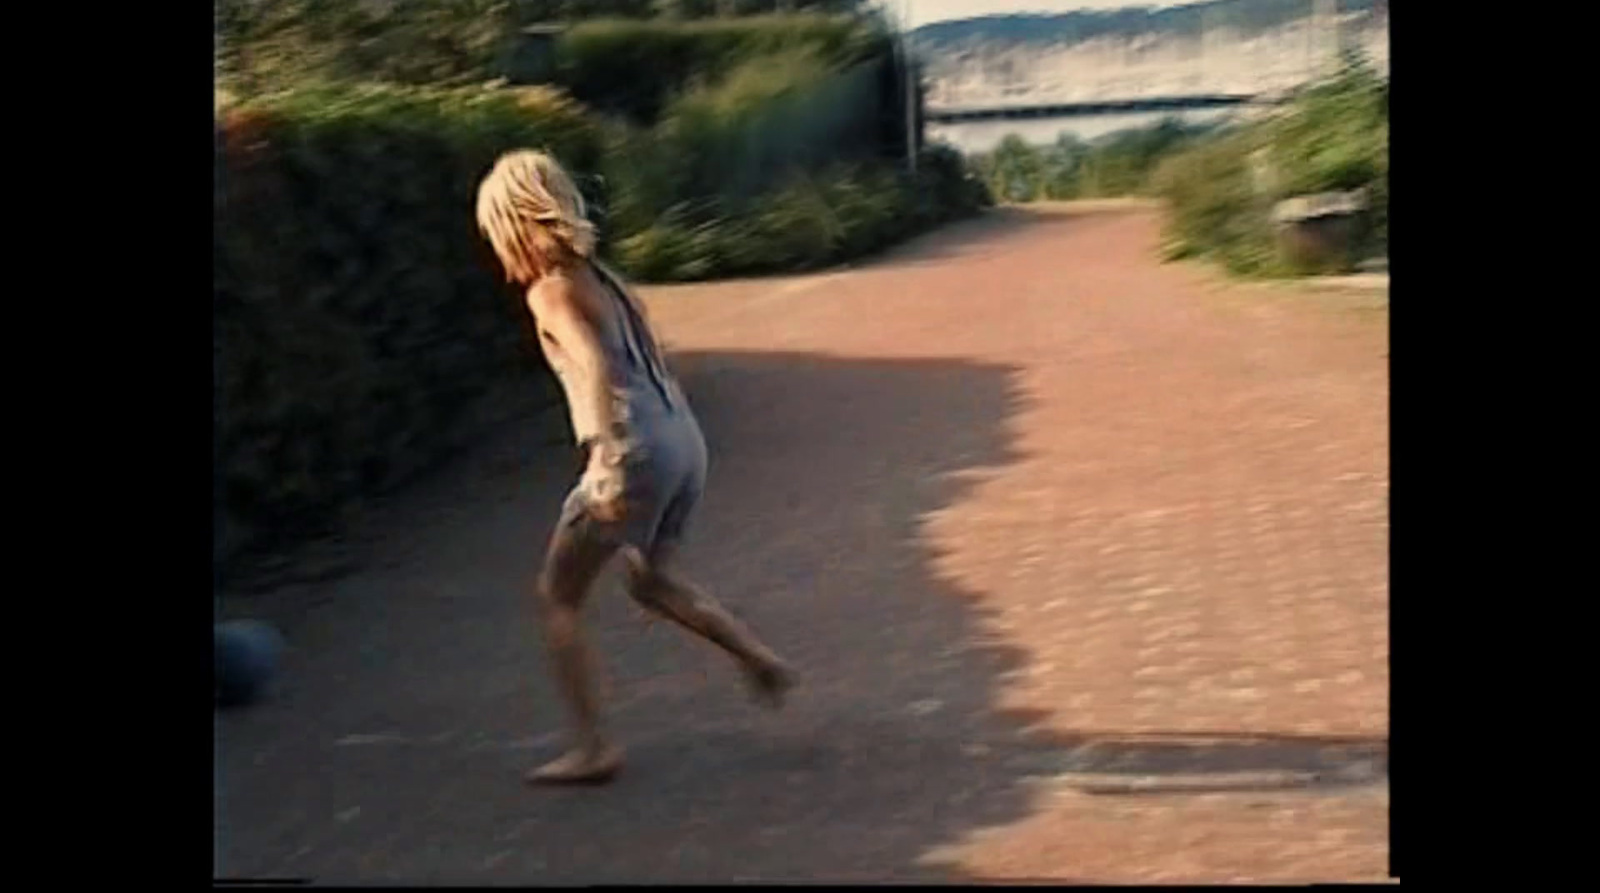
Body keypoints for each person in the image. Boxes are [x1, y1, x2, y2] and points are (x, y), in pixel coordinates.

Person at [475, 150, 797, 785]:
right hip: (683, 441)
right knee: (650, 582)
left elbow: (593, 364)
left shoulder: (551, 292)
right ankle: (757, 658)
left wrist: (602, 454)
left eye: (494, 233)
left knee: (557, 597)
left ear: (512, 223)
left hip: (636, 449)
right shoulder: (606, 278)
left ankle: (594, 749)